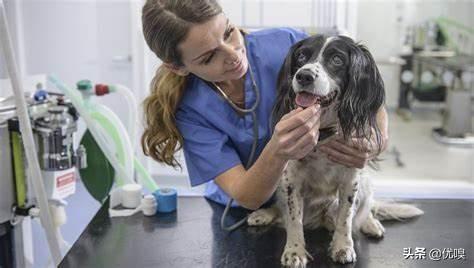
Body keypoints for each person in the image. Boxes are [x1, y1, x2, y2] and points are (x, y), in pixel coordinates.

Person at [140, 0, 388, 210]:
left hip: (309, 201)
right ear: (178, 67)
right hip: (242, 211)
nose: (234, 54)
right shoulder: (190, 111)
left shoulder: (285, 44)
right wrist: (277, 151)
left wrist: (376, 142)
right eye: (209, 57)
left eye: (229, 32)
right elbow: (247, 195)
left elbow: (363, 89)